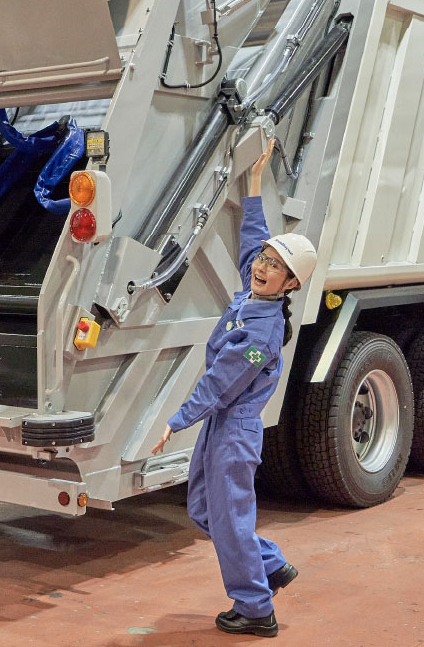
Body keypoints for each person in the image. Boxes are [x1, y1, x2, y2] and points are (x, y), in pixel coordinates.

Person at [152, 138, 317, 639]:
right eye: (264, 260)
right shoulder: (254, 290)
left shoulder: (262, 333)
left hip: (235, 430)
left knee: (228, 518)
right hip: (224, 427)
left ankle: (255, 608)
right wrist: (253, 182)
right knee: (205, 510)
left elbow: (220, 385)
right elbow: (253, 236)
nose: (262, 266)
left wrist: (174, 422)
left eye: (274, 267)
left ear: (291, 285)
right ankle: (270, 565)